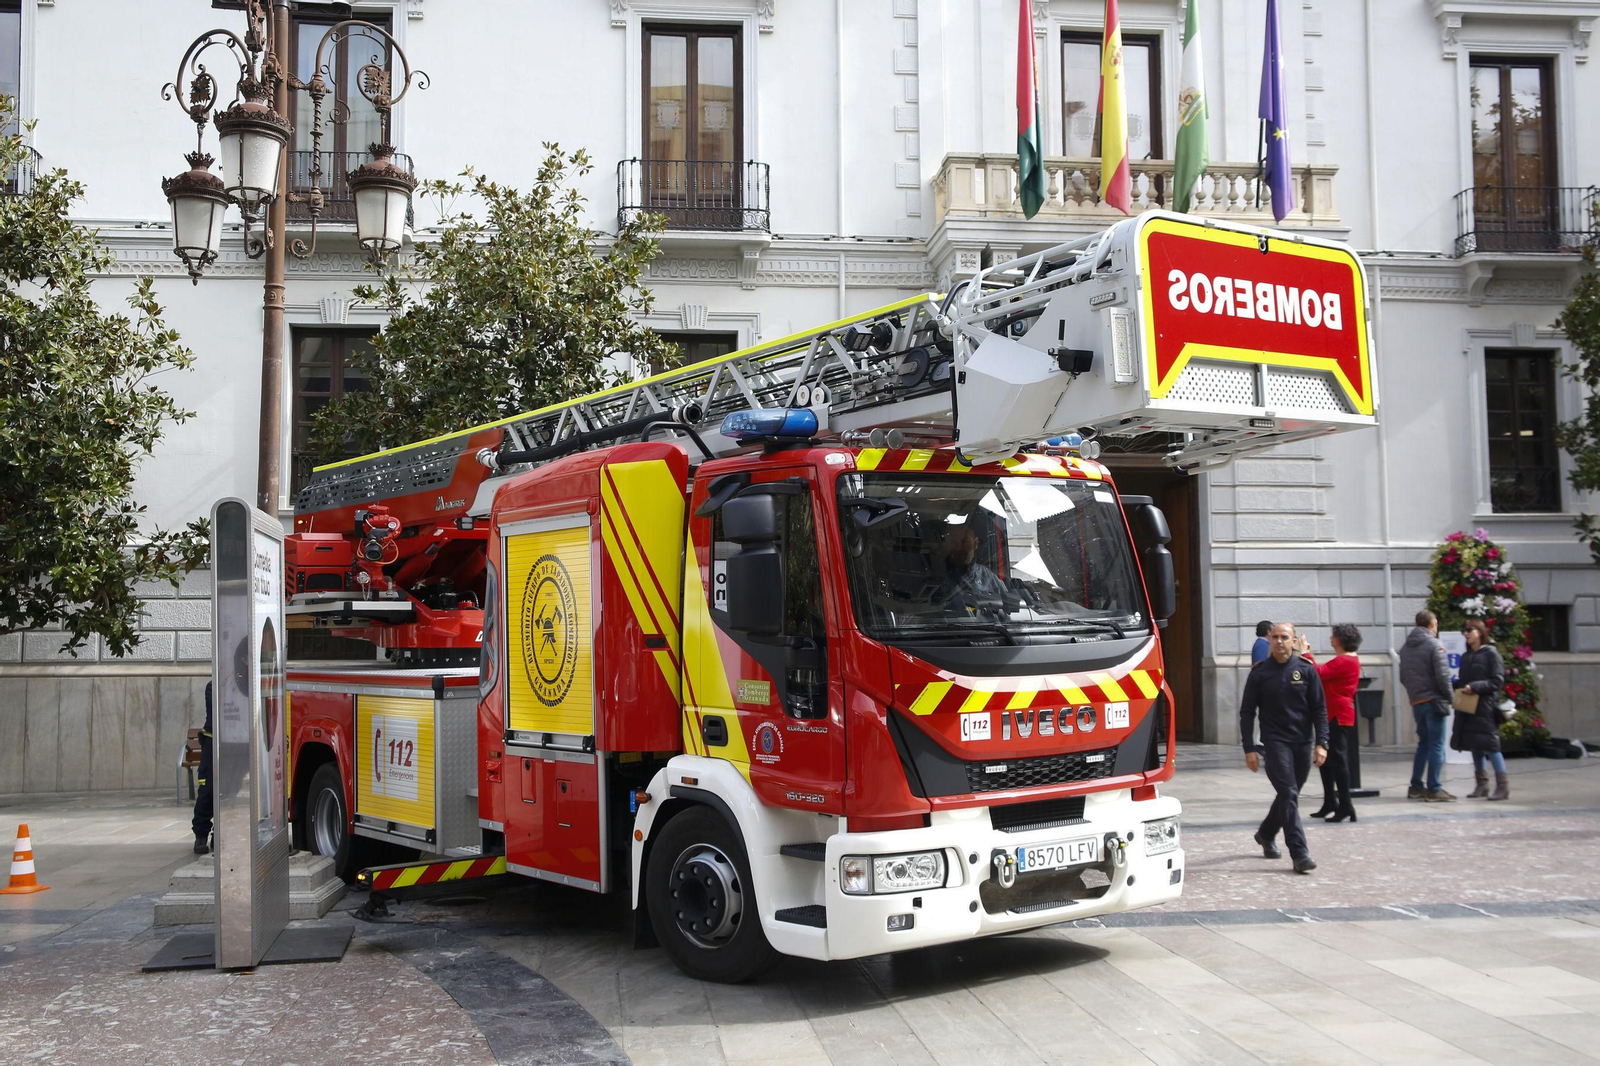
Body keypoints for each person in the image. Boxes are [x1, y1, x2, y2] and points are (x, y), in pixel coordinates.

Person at [1238, 622, 1329, 874]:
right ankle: (1299, 853)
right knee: (1288, 793)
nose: (1279, 641)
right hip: (1275, 742)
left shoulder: (1306, 670)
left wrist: (1322, 742)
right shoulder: (1260, 673)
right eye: (1275, 637)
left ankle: (1266, 833)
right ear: (1270, 640)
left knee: (1289, 795)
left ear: (1294, 641)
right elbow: (1247, 712)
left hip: (1302, 742)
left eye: (1285, 637)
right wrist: (1249, 748)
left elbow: (1319, 709)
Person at [1306, 624, 1362, 822]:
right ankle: (1330, 801)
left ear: (1341, 639)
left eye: (1334, 636)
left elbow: (1318, 672)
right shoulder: (1345, 659)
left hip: (1338, 713)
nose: (1331, 639)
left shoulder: (1345, 660)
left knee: (1337, 760)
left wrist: (1305, 653)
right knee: (1327, 760)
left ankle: (1345, 805)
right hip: (1331, 712)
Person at [1399, 609, 1456, 801]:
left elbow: (1403, 677)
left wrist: (1415, 693)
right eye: (1436, 623)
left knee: (1423, 743)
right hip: (1434, 701)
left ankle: (1416, 786)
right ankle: (1434, 788)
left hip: (1417, 701)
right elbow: (1443, 676)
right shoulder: (1435, 644)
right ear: (1432, 624)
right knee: (1437, 744)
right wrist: (1451, 698)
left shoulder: (1405, 648)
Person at [1452, 619, 1509, 801]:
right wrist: (1455, 685)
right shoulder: (1467, 656)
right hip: (1469, 706)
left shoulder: (1491, 654)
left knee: (1491, 745)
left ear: (1480, 632)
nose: (1466, 634)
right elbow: (1463, 681)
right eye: (1464, 631)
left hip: (1485, 707)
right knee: (1475, 744)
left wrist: (1475, 687)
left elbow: (1497, 681)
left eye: (1470, 630)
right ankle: (1482, 784)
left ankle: (1502, 787)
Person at [933, 522, 1006, 604]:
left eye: (964, 541)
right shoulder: (936, 577)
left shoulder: (988, 578)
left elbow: (1007, 606)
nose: (958, 547)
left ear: (976, 543)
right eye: (953, 542)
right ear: (946, 545)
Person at [191, 681, 214, 855]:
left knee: (233, 793)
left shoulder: (247, 683)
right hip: (213, 743)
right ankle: (201, 834)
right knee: (207, 791)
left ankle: (222, 832)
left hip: (238, 744)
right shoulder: (213, 686)